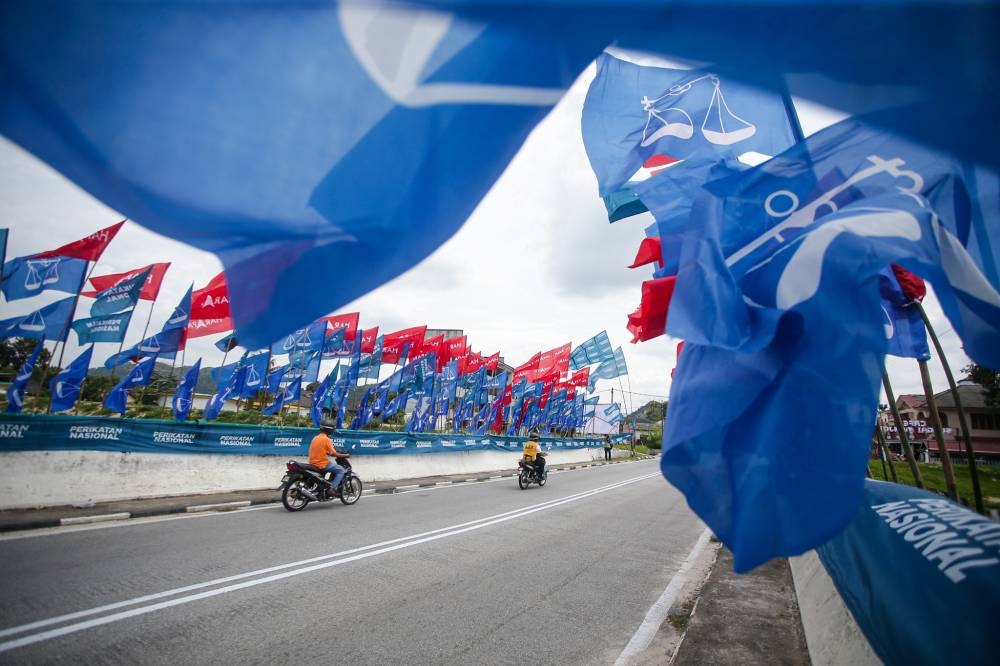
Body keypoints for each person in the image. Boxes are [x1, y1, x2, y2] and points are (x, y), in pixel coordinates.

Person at [309, 418, 349, 496]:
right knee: (341, 470)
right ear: (330, 430)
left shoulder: (315, 438)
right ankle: (332, 489)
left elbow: (323, 450)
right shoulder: (326, 439)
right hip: (322, 464)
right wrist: (346, 455)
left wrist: (328, 452)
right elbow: (334, 454)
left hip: (312, 463)